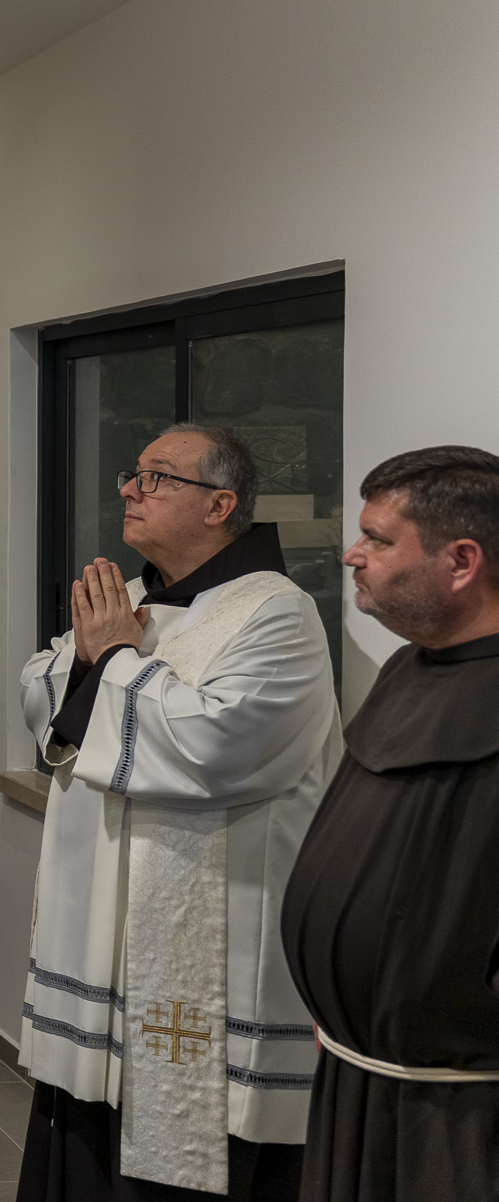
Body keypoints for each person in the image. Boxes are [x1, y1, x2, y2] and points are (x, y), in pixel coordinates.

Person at [16, 424, 339, 1200]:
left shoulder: (276, 613)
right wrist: (91, 657)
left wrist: (113, 658)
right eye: (134, 474)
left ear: (220, 504)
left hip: (206, 951)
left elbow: (216, 745)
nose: (130, 489)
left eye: (156, 477)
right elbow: (41, 690)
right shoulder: (131, 599)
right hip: (99, 939)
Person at [280, 446, 499, 1200]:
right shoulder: (410, 666)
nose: (352, 554)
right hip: (360, 1072)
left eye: (377, 539)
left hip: (458, 1113)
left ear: (462, 561)